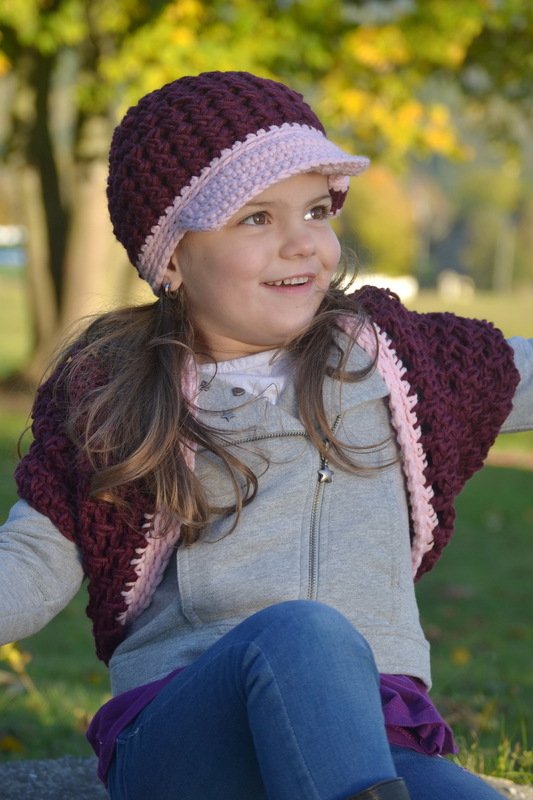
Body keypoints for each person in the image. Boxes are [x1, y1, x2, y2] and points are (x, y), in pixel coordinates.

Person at [0, 71, 531, 800]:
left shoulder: (396, 365)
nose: (301, 244)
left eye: (315, 210)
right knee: (306, 633)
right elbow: (32, 563)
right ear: (172, 256)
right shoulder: (118, 397)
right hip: (191, 741)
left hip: (370, 735)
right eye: (256, 218)